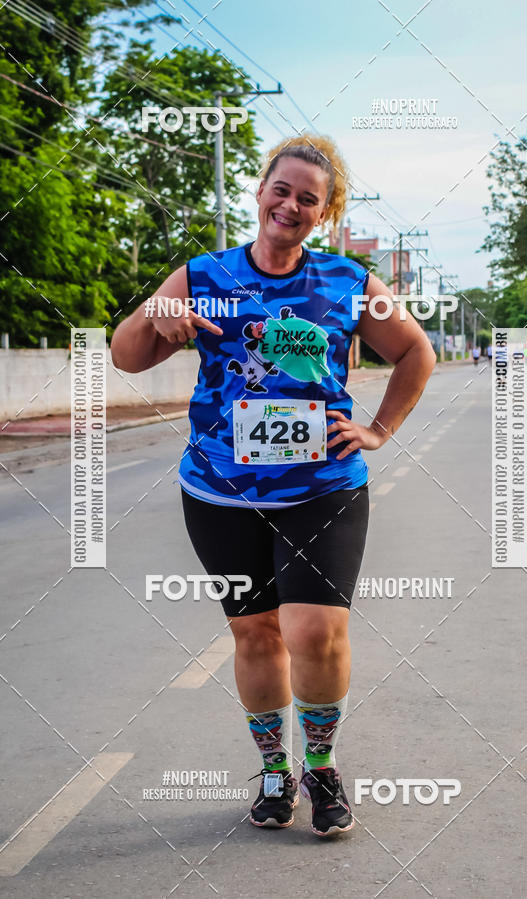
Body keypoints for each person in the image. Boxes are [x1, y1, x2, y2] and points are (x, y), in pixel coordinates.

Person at [111, 134, 436, 838]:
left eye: (307, 198)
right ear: (260, 193)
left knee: (314, 630)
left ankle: (320, 765)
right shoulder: (203, 275)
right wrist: (153, 316)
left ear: (325, 213)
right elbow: (127, 356)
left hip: (323, 485)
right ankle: (273, 771)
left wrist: (378, 429)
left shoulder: (348, 281)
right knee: (256, 633)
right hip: (220, 491)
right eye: (281, 190)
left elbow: (415, 350)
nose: (290, 205)